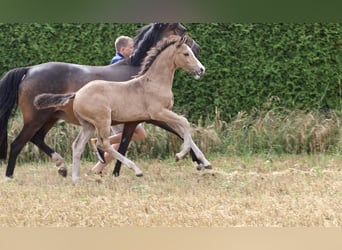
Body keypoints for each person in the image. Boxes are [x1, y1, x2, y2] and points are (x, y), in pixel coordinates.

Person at [88, 36, 147, 177]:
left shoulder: (121, 62)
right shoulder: (118, 63)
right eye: (131, 47)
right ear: (122, 49)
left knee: (120, 144)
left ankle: (96, 170)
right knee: (139, 134)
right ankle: (100, 142)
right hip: (119, 109)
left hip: (121, 108)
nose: (133, 50)